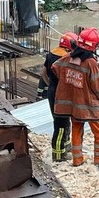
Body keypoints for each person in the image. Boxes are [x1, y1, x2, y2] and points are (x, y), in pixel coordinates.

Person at [52, 27, 99, 166]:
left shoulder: (67, 58)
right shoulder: (91, 63)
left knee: (76, 131)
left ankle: (77, 160)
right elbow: (97, 86)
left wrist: (68, 85)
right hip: (90, 105)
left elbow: (54, 67)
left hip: (74, 106)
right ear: (94, 45)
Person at [40, 32, 78, 161]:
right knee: (60, 126)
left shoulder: (51, 54)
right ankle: (58, 155)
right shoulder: (67, 58)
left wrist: (50, 84)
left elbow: (43, 72)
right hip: (62, 95)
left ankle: (66, 146)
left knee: (62, 122)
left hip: (53, 91)